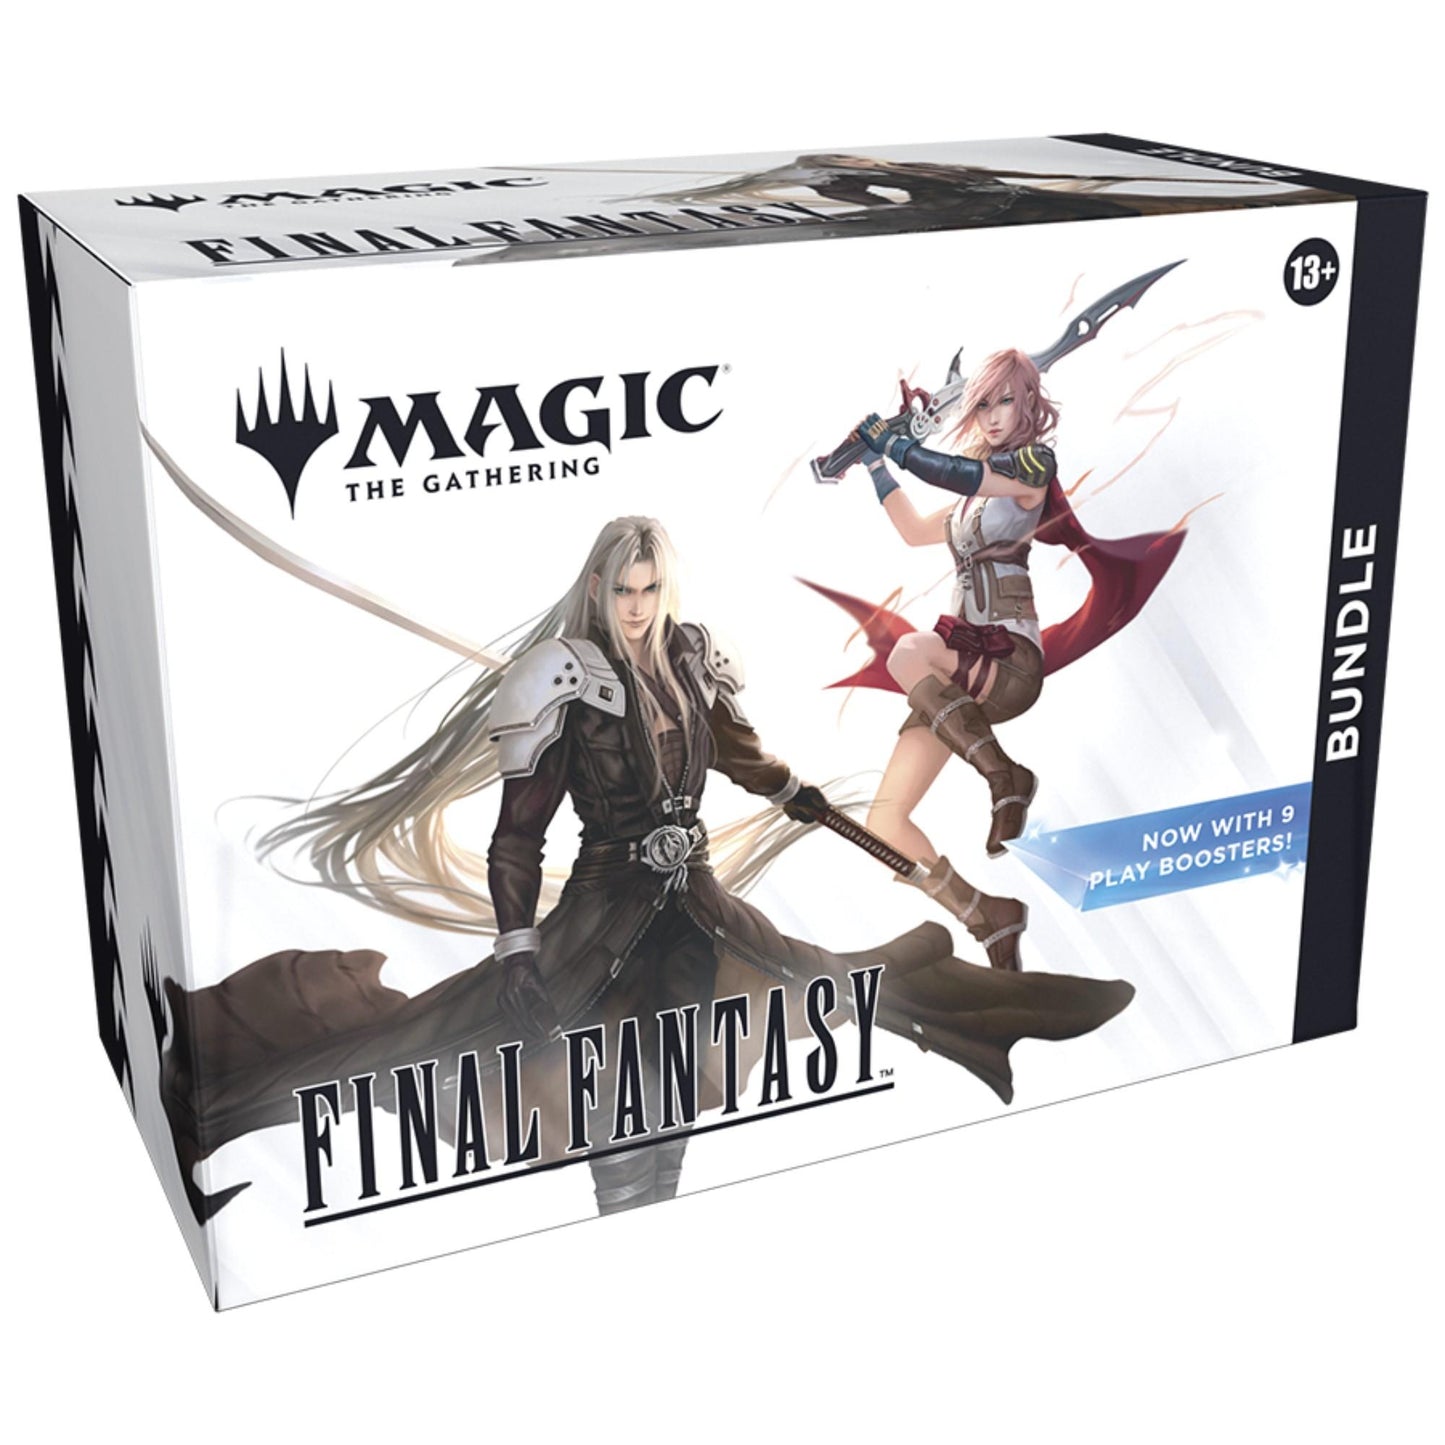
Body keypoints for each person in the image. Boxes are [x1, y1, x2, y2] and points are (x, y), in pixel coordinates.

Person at [153, 516, 1135, 1220]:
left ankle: (994, 1008)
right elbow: (517, 837)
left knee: (778, 1013)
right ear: (597, 588)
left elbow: (744, 759)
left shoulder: (693, 659)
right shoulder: (560, 680)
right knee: (455, 1045)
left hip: (694, 902)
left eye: (648, 590)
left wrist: (794, 793)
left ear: (667, 590)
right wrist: (516, 948)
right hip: (604, 912)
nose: (633, 607)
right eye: (620, 591)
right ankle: (217, 1097)